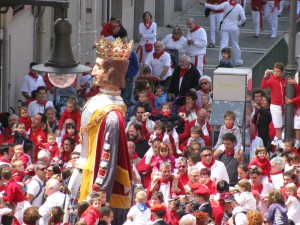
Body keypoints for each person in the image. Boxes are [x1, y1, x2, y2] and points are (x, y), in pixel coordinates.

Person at [68, 37, 133, 225]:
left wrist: (95, 196)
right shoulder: (103, 103)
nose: (93, 71)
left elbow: (107, 161)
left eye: (98, 67)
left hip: (90, 184)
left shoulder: (112, 116)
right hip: (82, 171)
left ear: (111, 73)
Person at [199, 0, 246, 66]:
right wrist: (237, 23)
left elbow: (216, 8)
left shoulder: (226, 3)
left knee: (223, 43)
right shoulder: (239, 6)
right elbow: (243, 19)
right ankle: (237, 60)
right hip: (234, 28)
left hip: (225, 27)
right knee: (235, 44)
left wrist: (205, 4)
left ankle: (221, 60)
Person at [261, 62, 286, 147]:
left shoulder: (283, 81)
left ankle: (277, 138)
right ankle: (278, 139)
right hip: (275, 105)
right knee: (278, 123)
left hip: (281, 104)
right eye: (274, 71)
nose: (276, 73)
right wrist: (265, 76)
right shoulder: (271, 79)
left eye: (278, 71)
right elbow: (263, 86)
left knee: (281, 122)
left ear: (281, 72)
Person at [121, 37, 139, 108]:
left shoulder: (132, 54)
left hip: (128, 78)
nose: (124, 44)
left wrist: (131, 76)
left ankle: (126, 110)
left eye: (126, 42)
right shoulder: (118, 53)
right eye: (123, 42)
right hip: (120, 78)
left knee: (127, 95)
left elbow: (136, 67)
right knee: (121, 94)